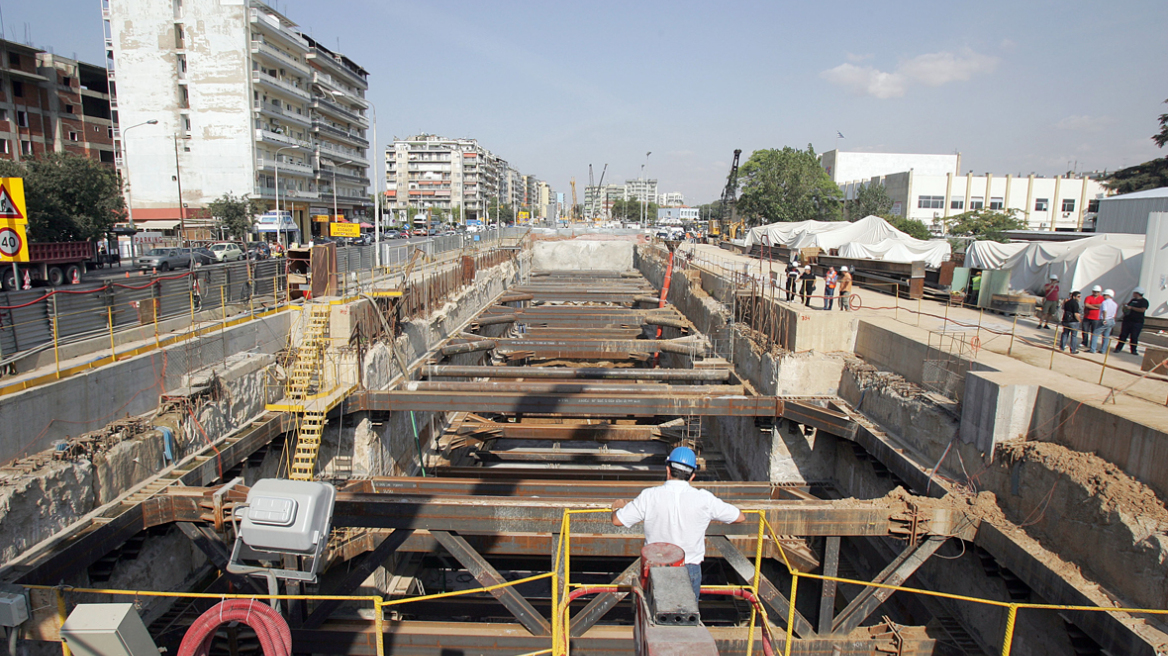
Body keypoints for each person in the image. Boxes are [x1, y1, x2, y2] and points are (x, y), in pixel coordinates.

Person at [611, 447, 746, 604]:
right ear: (692, 476)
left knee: (655, 614)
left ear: (668, 470)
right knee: (686, 618)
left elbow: (617, 520)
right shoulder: (704, 499)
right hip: (689, 568)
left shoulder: (649, 496)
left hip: (656, 568)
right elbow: (739, 517)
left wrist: (617, 508)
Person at [1114, 287, 1149, 355]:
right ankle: (1118, 348)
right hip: (1127, 321)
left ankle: (1133, 350)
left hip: (1137, 322)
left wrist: (1132, 308)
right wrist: (1126, 307)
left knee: (1134, 336)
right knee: (1123, 335)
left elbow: (1142, 310)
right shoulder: (1132, 300)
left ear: (1138, 293)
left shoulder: (1144, 301)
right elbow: (1127, 309)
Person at [1091, 289, 1118, 354]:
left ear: (1108, 295)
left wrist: (1104, 319)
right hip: (1111, 320)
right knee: (1106, 335)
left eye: (1104, 295)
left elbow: (1104, 311)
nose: (1103, 296)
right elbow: (1114, 314)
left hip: (1105, 319)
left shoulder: (1105, 302)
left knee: (1095, 334)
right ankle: (1103, 350)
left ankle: (1093, 349)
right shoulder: (1115, 304)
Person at [1082, 285, 1104, 350]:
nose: (1096, 293)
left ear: (1099, 292)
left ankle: (1092, 344)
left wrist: (1091, 305)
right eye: (1094, 292)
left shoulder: (1102, 298)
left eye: (1097, 292)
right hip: (1087, 317)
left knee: (1094, 332)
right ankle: (1084, 342)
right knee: (1085, 331)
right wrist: (1096, 308)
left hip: (1096, 318)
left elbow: (1101, 305)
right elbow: (1086, 305)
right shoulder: (1088, 297)